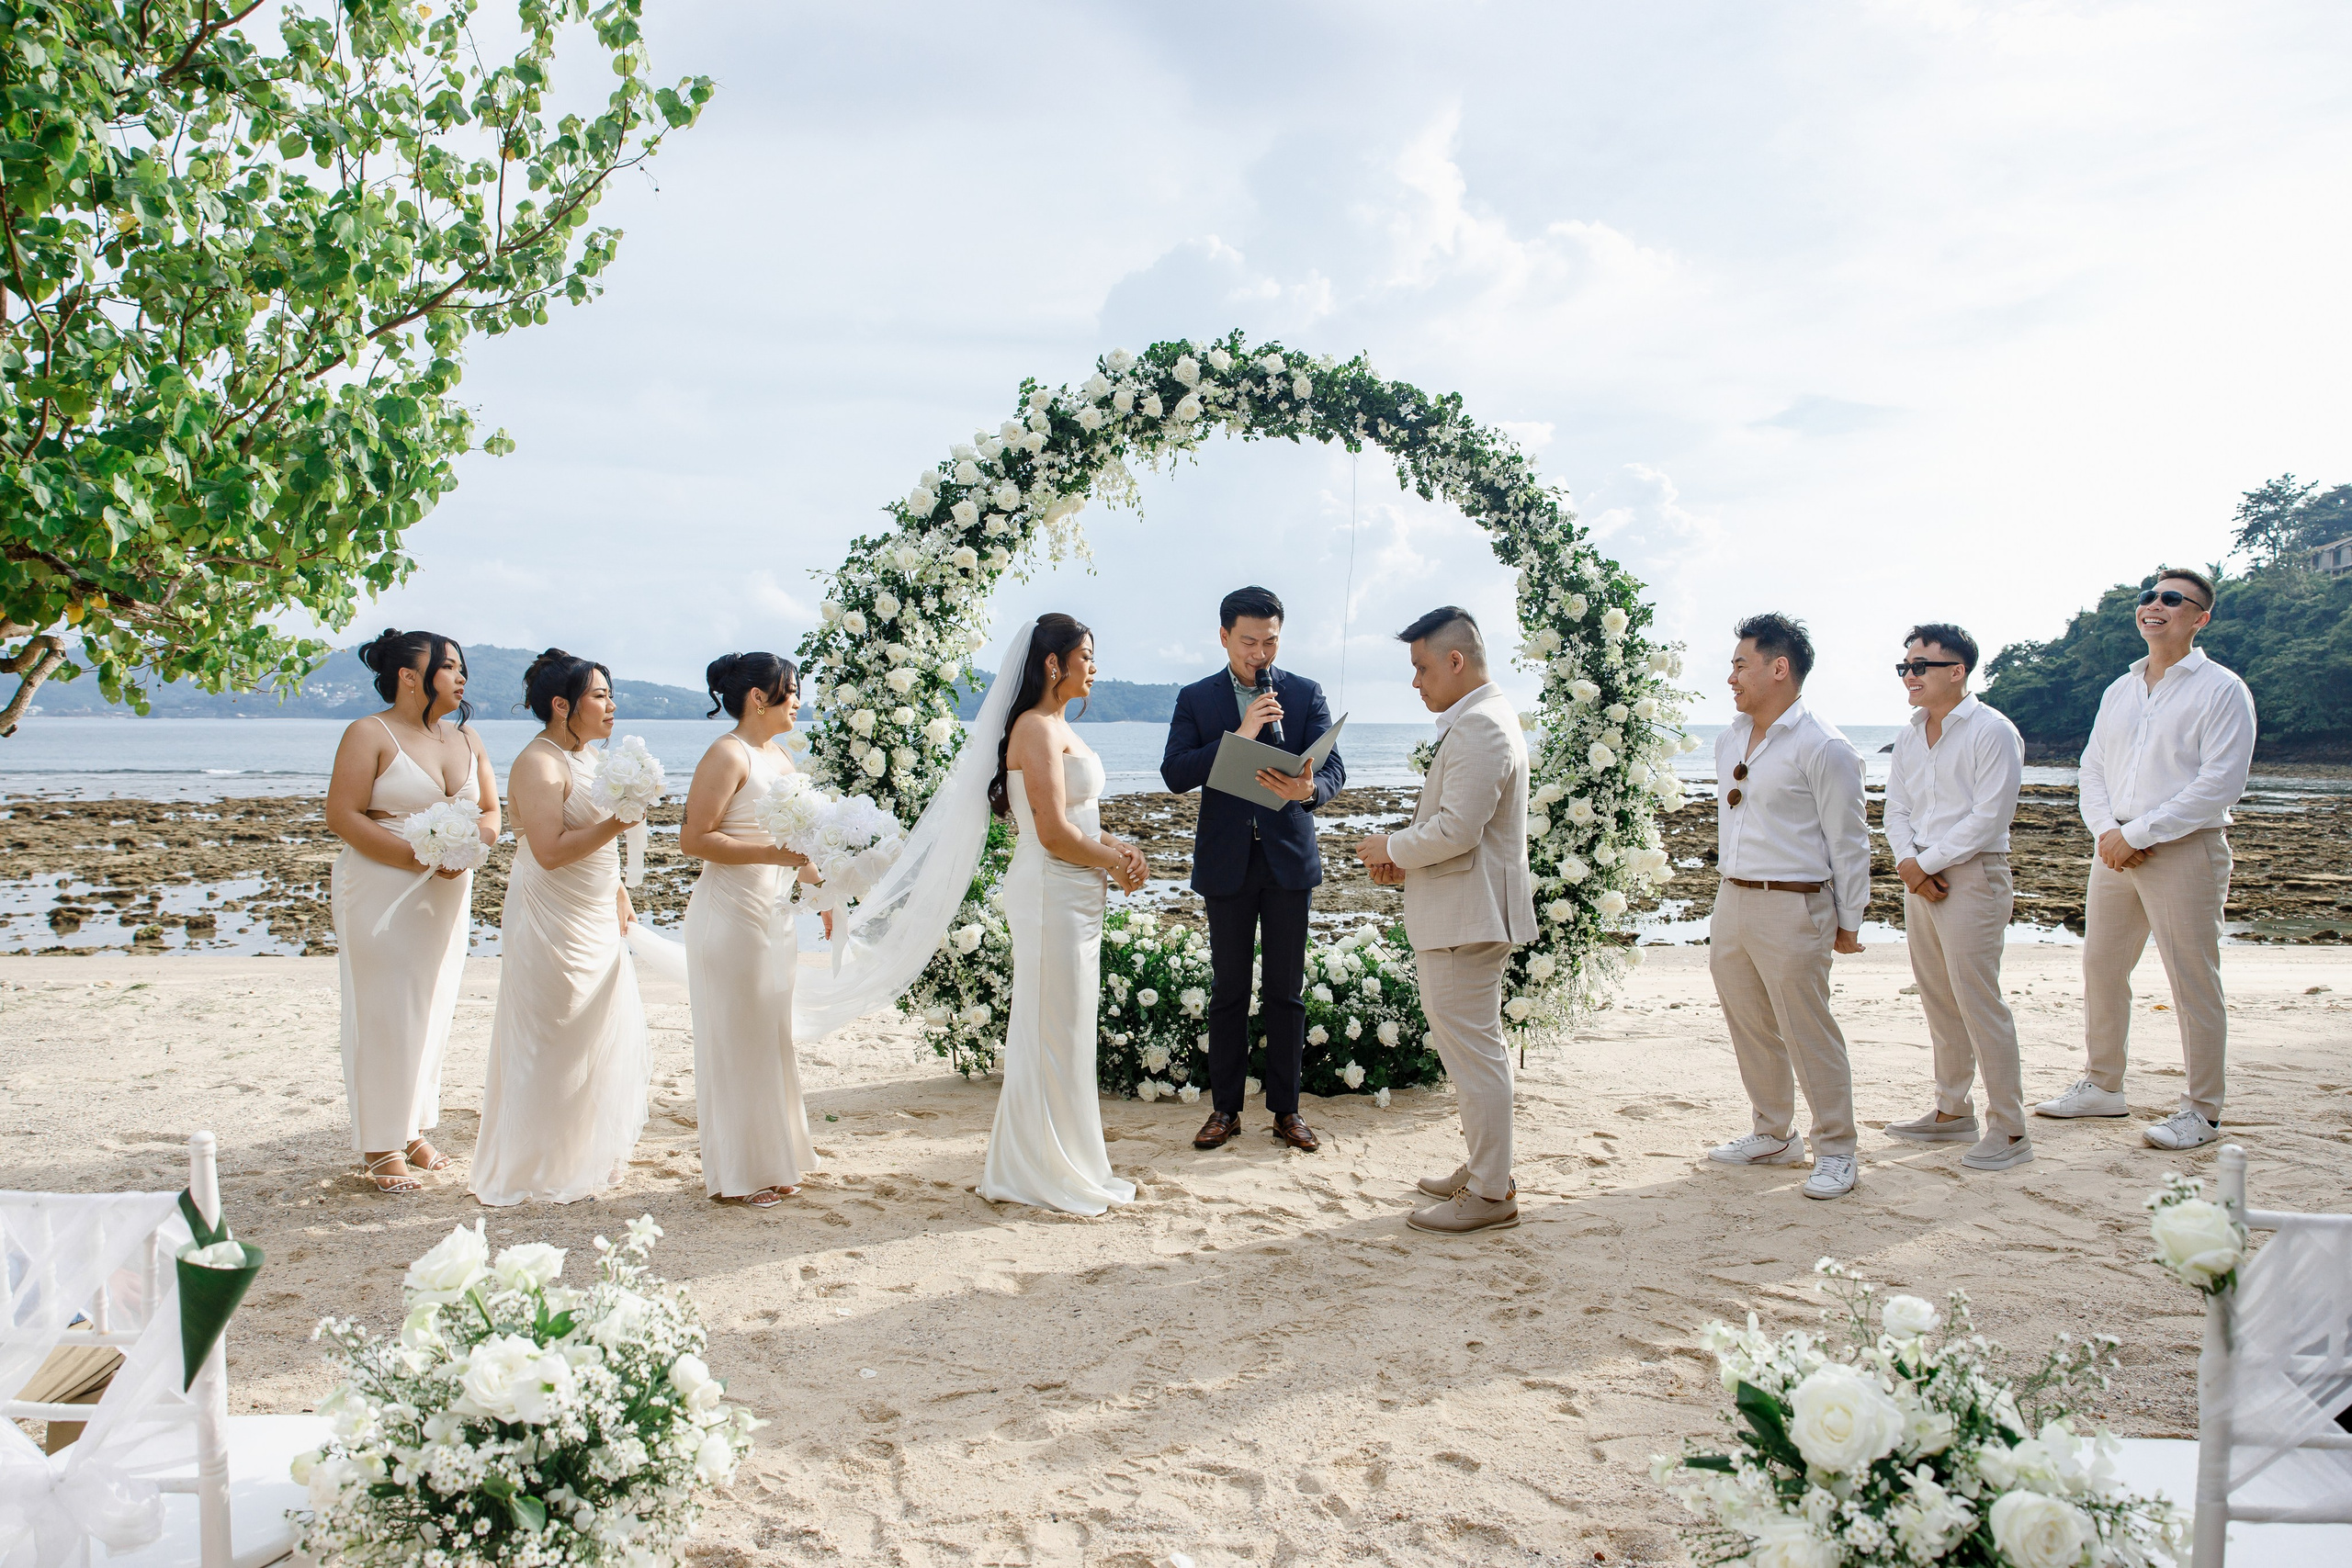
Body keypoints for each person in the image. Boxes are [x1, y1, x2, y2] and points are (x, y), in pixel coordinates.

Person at [2034, 568, 2256, 1150]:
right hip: (2114, 849)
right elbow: (2092, 767)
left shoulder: (2222, 688)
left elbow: (2221, 783)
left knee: (2192, 980)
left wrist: (2144, 832)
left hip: (2183, 848)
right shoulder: (2120, 688)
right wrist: (2109, 830)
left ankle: (2202, 1112)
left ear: (2199, 617)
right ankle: (2104, 1087)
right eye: (2149, 597)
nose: (2154, 606)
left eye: (2172, 599)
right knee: (2103, 970)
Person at [1354, 607, 1536, 1235]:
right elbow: (1470, 832)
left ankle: (1491, 1190)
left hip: (1467, 920)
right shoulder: (1483, 720)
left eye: (1422, 666)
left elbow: (1458, 829)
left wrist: (1393, 847)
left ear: (1456, 661)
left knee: (1477, 1056)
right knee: (1473, 1054)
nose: (1416, 682)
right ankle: (1487, 1168)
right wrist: (1407, 864)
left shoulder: (1481, 726)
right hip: (1467, 909)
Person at [1159, 586, 1346, 1154]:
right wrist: (1238, 737)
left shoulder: (1305, 691)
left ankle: (1287, 1111)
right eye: (1248, 642)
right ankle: (1225, 1109)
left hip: (1288, 858)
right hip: (1228, 862)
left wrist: (1310, 786)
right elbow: (1173, 773)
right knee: (1229, 990)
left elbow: (1334, 766)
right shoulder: (1196, 698)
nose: (1260, 653)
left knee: (1286, 993)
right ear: (1223, 637)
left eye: (1270, 641)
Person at [976, 615, 1148, 1213]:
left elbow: (1080, 816)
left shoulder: (1055, 726)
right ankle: (1039, 1168)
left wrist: (1118, 850)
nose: (1094, 669)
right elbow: (1051, 832)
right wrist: (1112, 863)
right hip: (1051, 888)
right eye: (1087, 657)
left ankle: (1072, 1158)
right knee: (1053, 1027)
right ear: (1054, 664)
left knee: (1069, 1027)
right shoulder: (1035, 728)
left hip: (1077, 889)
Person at [470, 650, 652, 1206]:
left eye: (608, 694)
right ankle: (537, 1163)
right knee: (552, 1032)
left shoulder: (591, 759)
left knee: (593, 1029)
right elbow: (548, 851)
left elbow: (599, 843)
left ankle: (583, 1154)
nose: (611, 705)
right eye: (598, 695)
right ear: (560, 704)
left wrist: (619, 890)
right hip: (551, 911)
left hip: (596, 907)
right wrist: (621, 821)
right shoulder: (539, 763)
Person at [1703, 613, 1872, 1200]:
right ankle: (1773, 1133)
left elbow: (1849, 839)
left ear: (1780, 668)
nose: (1731, 677)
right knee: (1748, 1021)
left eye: (1740, 664)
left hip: (1794, 904)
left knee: (1807, 1029)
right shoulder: (1729, 739)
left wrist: (1850, 919)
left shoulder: (1825, 746)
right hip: (1733, 898)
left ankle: (1838, 1149)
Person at [324, 630, 499, 1193]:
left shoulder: (468, 738)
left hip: (449, 887)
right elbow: (344, 815)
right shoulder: (368, 733)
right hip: (382, 884)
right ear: (407, 675)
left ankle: (414, 1127)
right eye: (448, 666)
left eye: (461, 667)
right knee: (386, 1010)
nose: (460, 676)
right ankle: (380, 1144)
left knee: (435, 1004)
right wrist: (419, 856)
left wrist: (472, 848)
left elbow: (492, 809)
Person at [1882, 624, 2030, 1171]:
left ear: (1957, 671)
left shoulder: (1992, 731)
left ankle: (2011, 1130)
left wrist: (1925, 863)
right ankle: (1951, 1111)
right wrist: (1908, 864)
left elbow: (1989, 816)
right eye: (1905, 668)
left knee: (1978, 1000)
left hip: (1972, 876)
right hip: (1919, 877)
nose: (1910, 676)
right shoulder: (1908, 734)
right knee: (1938, 997)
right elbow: (1895, 807)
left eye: (1920, 666)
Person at [680, 652, 820, 1209]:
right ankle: (738, 1172)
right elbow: (694, 839)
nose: (798, 702)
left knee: (768, 1037)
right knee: (736, 1040)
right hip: (730, 915)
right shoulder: (726, 754)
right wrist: (774, 854)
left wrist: (817, 884)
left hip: (774, 915)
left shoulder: (779, 756)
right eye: (790, 692)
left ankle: (772, 1157)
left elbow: (798, 840)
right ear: (758, 698)